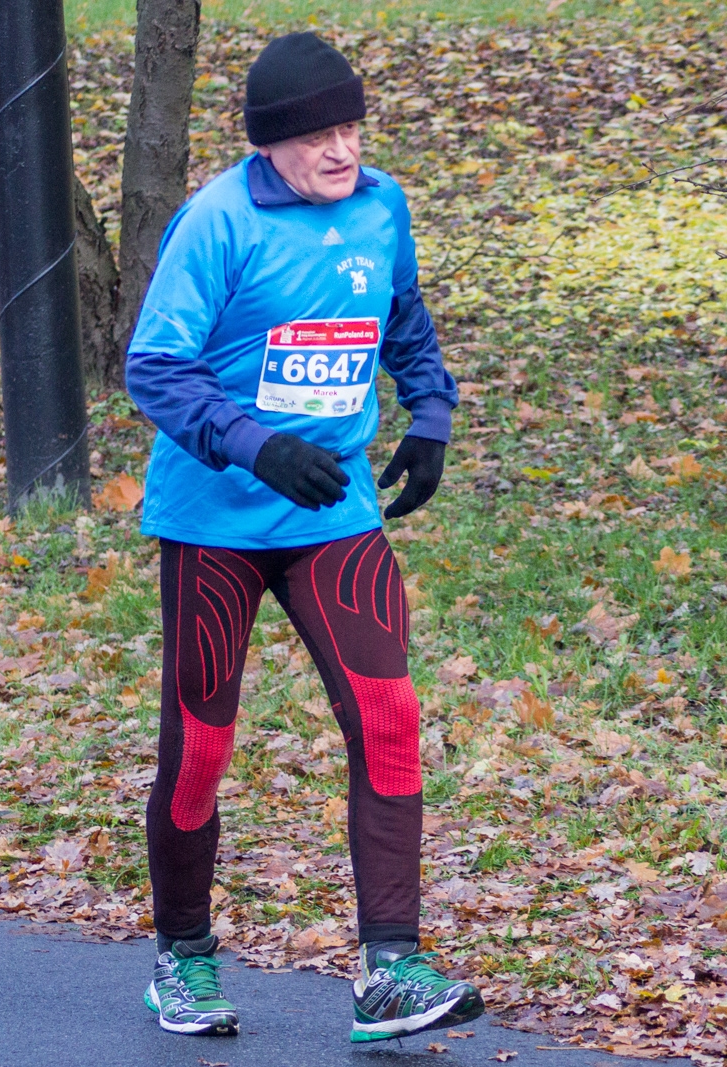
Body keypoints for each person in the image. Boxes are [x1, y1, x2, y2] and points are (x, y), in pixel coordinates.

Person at [123, 30, 482, 1045]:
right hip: (215, 519)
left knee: (389, 713)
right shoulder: (217, 222)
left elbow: (402, 317)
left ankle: (390, 969)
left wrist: (430, 414)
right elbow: (154, 366)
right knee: (202, 741)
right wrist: (256, 445)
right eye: (320, 135)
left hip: (331, 510)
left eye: (353, 128)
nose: (342, 150)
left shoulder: (381, 206)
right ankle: (183, 956)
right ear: (270, 144)